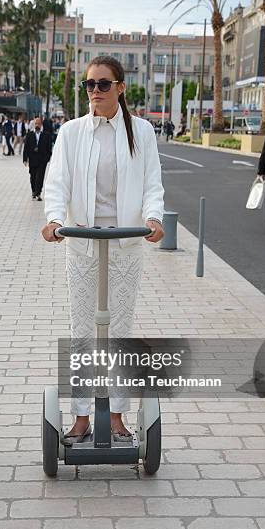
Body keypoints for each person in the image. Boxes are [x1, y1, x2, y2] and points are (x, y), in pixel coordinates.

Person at [42, 55, 164, 444]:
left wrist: (154, 218)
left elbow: (152, 184)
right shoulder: (72, 132)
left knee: (119, 333)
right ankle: (80, 418)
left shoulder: (141, 132)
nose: (95, 91)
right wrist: (54, 219)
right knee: (82, 333)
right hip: (82, 245)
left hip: (125, 243)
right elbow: (57, 181)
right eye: (90, 84)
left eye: (103, 84)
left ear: (120, 88)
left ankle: (115, 416)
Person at [23, 117, 52, 200]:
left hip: (42, 160)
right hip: (32, 159)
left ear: (41, 124)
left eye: (39, 123)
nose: (37, 125)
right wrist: (25, 159)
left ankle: (38, 193)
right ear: (33, 124)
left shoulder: (46, 135)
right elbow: (26, 148)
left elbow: (49, 148)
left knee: (40, 177)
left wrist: (47, 158)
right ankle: (33, 191)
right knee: (33, 176)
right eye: (36, 123)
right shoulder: (29, 135)